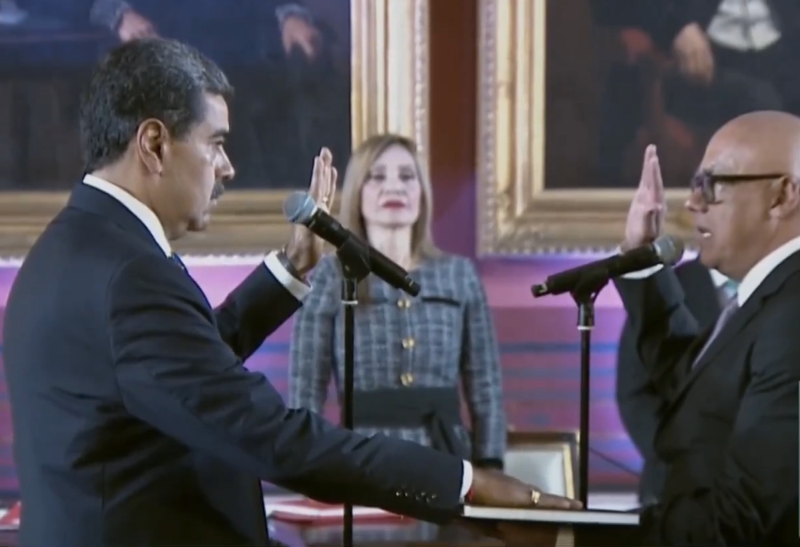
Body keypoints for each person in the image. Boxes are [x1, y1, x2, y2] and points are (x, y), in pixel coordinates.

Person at [1, 39, 580, 547]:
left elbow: (186, 372)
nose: (227, 167)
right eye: (215, 143)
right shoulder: (131, 274)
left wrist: (291, 268)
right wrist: (467, 484)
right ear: (154, 143)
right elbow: (273, 437)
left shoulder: (76, 249)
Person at [487, 114, 800, 546]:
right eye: (695, 183)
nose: (692, 202)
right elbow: (693, 383)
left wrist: (570, 538)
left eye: (713, 184)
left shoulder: (792, 314)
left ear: (782, 195)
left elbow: (742, 521)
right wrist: (641, 259)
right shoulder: (772, 298)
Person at [289, 133, 506, 469]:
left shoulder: (459, 275)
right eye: (376, 177)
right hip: (361, 461)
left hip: (447, 460)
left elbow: (486, 388)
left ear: (423, 192)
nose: (394, 187)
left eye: (407, 176)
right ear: (357, 193)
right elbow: (305, 390)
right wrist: (307, 469)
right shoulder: (331, 276)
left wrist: (491, 467)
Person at [615, 258, 733, 504]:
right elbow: (634, 391)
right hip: (674, 487)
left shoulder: (783, 283)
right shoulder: (670, 284)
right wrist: (679, 454)